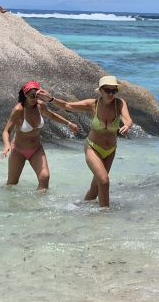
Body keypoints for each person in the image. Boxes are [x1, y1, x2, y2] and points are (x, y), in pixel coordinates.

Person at [55, 76, 134, 209]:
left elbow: (128, 119)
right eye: (107, 90)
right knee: (104, 181)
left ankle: (81, 208)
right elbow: (67, 105)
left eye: (114, 91)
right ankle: (104, 216)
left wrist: (127, 125)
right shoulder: (93, 104)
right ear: (101, 90)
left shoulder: (119, 103)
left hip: (110, 151)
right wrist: (50, 99)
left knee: (95, 188)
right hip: (93, 148)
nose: (110, 94)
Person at [1, 81, 81, 190]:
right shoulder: (19, 110)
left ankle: (39, 206)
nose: (35, 99)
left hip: (36, 149)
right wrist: (7, 145)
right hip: (18, 150)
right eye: (32, 96)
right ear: (25, 95)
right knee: (12, 183)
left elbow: (52, 116)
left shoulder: (40, 106)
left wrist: (69, 123)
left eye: (38, 95)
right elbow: (6, 131)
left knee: (44, 178)